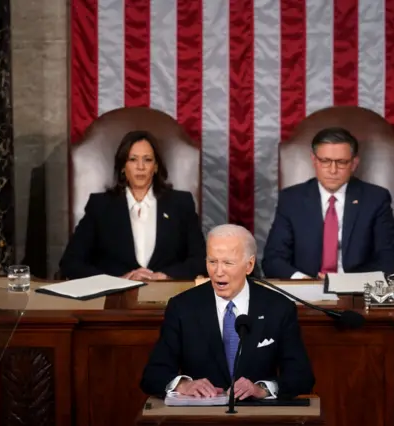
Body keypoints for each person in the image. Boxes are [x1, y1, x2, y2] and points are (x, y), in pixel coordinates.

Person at [140, 224, 315, 400]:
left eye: (228, 263)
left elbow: (301, 378)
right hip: (201, 417)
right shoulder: (182, 307)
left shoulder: (278, 308)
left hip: (256, 416)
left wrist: (261, 389)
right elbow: (153, 376)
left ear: (249, 265)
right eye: (212, 261)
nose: (218, 272)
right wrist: (184, 385)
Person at [59, 130, 207, 281]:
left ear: (155, 167)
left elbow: (202, 260)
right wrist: (118, 280)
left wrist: (165, 276)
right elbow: (71, 263)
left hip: (169, 296)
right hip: (115, 298)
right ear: (123, 166)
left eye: (147, 160)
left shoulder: (181, 203)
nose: (140, 167)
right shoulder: (100, 206)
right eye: (133, 159)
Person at [262, 127, 394, 279]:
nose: (333, 170)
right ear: (314, 161)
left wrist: (346, 282)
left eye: (341, 162)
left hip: (355, 292)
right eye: (325, 161)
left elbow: (389, 260)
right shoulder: (291, 199)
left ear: (354, 164)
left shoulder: (375, 199)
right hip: (305, 290)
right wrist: (303, 280)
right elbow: (273, 260)